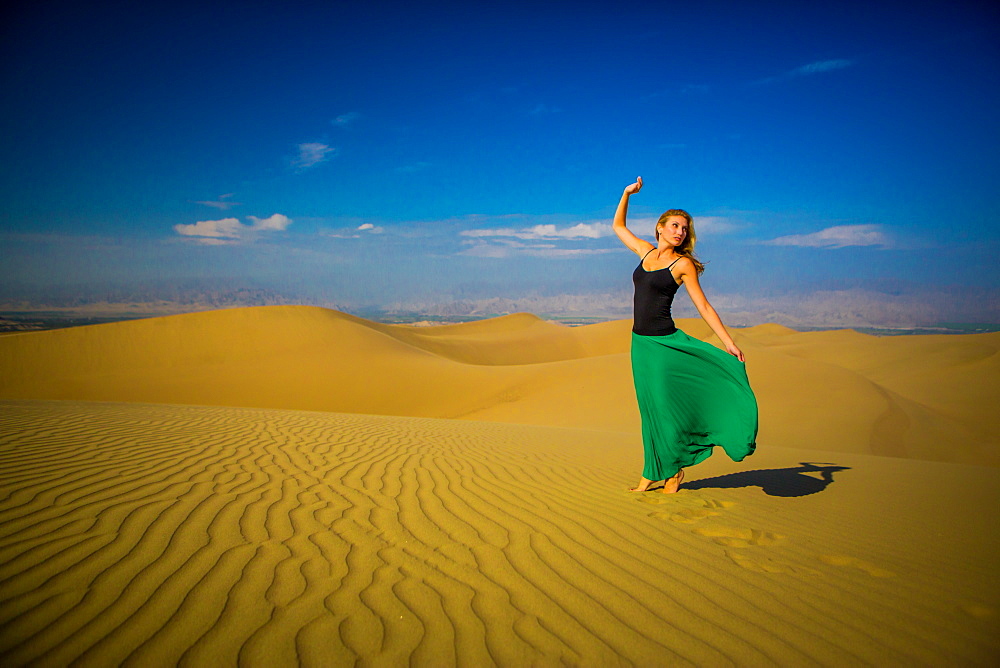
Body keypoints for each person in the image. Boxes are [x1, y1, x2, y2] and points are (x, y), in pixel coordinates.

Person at [613, 176, 757, 493]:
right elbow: (619, 227)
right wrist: (627, 194)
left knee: (665, 407)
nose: (680, 232)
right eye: (676, 226)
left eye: (684, 229)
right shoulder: (645, 252)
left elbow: (704, 306)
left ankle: (672, 469)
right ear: (660, 228)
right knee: (649, 409)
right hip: (641, 345)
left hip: (666, 346)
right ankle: (655, 470)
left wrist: (728, 343)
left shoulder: (683, 264)